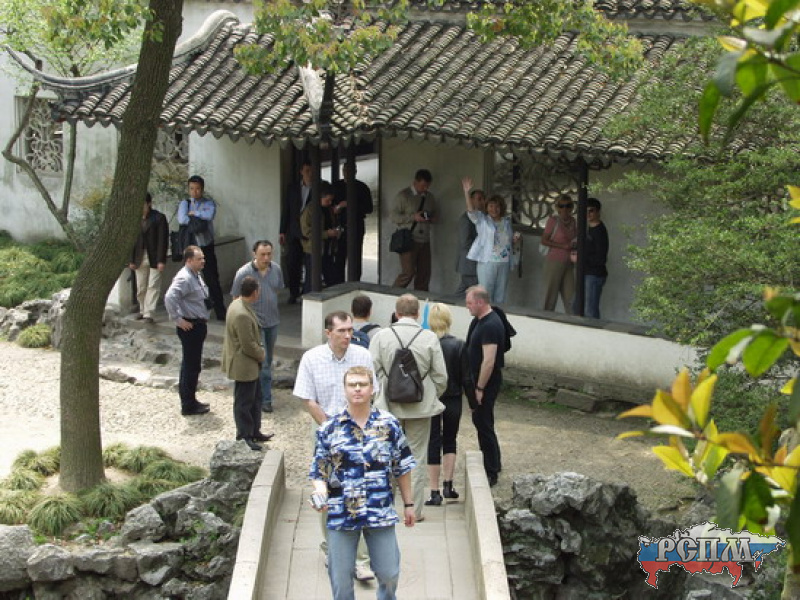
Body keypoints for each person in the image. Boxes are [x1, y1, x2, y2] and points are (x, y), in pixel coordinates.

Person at [309, 366, 416, 600]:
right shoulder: (329, 429)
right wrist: (320, 493)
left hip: (380, 511)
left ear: (372, 389)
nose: (357, 389)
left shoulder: (389, 425)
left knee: (389, 573)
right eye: (352, 385)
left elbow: (402, 467)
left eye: (362, 384)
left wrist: (409, 504)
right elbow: (318, 471)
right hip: (341, 512)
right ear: (344, 389)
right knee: (340, 580)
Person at [293, 310, 377, 581]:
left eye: (350, 330)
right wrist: (331, 428)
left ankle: (361, 560)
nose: (348, 335)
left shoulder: (362, 356)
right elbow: (308, 399)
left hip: (359, 431)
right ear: (328, 333)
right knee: (328, 492)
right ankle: (332, 549)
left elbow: (372, 393)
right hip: (324, 430)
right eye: (342, 331)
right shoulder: (312, 358)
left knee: (361, 491)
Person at [369, 294, 447, 521]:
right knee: (417, 457)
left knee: (385, 455)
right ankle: (415, 509)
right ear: (418, 313)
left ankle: (384, 506)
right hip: (420, 406)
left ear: (396, 313)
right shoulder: (429, 338)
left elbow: (370, 371)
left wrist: (379, 394)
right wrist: (429, 393)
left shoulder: (381, 336)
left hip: (387, 405)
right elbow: (441, 376)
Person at [424, 303, 472, 506]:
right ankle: (448, 484)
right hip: (453, 397)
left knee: (432, 440)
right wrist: (473, 401)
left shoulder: (425, 343)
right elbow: (467, 377)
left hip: (432, 397)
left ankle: (434, 491)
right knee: (450, 439)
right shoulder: (459, 345)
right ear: (448, 320)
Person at [231, 240, 284, 413]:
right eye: (263, 254)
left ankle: (259, 393)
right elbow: (236, 298)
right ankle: (265, 399)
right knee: (263, 361)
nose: (266, 258)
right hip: (255, 324)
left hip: (272, 322)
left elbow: (277, 289)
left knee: (267, 360)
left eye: (269, 254)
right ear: (254, 254)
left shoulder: (276, 269)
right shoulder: (244, 273)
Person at [221, 276, 274, 451]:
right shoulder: (242, 314)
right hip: (244, 364)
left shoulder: (238, 305)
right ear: (255, 292)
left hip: (248, 364)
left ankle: (254, 431)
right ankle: (244, 435)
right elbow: (248, 344)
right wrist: (261, 354)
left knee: (255, 398)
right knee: (244, 401)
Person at [164, 245, 212, 416]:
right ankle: (188, 404)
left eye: (203, 258)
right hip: (190, 326)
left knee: (193, 365)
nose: (203, 261)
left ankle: (191, 399)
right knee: (190, 366)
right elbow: (170, 297)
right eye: (199, 259)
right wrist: (178, 319)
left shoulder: (195, 275)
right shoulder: (184, 278)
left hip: (198, 324)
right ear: (189, 260)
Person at [465, 286, 505, 486]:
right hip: (478, 380)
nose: (467, 306)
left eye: (470, 303)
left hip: (486, 382)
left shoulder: (491, 325)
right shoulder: (479, 321)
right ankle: (493, 461)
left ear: (480, 302)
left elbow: (488, 361)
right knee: (481, 421)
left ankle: (491, 469)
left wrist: (480, 388)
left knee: (484, 423)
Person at [462, 177, 520, 305]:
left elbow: (508, 241)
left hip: (504, 262)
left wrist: (515, 239)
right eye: (491, 206)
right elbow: (471, 211)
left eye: (497, 206)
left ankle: (497, 315)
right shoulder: (482, 220)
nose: (494, 209)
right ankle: (486, 315)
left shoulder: (506, 222)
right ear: (487, 207)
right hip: (487, 262)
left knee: (500, 295)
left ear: (501, 207)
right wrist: (466, 192)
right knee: (485, 294)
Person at [178, 175, 226, 320]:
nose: (195, 191)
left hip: (206, 246)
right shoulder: (185, 203)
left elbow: (209, 215)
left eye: (198, 189)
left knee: (212, 279)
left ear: (202, 189)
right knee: (189, 280)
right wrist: (198, 218)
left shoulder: (208, 203)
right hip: (191, 248)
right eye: (192, 188)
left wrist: (194, 214)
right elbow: (182, 219)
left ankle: (220, 311)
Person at [391, 169, 436, 291]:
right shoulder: (404, 195)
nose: (425, 189)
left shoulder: (430, 197)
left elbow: (434, 214)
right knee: (408, 273)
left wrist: (431, 218)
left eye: (427, 186)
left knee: (424, 274)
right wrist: (413, 217)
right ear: (415, 182)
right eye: (423, 186)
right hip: (409, 239)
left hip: (425, 239)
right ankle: (393, 294)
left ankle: (421, 298)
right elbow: (393, 216)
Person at [129, 193, 168, 324]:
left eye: (143, 204)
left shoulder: (159, 218)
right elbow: (131, 241)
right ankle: (142, 309)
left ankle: (149, 313)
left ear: (149, 204)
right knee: (141, 287)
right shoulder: (134, 219)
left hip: (154, 256)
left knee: (153, 285)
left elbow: (163, 240)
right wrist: (131, 260)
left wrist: (161, 260)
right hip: (139, 256)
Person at [332, 160, 374, 282]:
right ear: (342, 171)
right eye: (345, 170)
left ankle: (355, 283)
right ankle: (338, 284)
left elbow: (369, 208)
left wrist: (350, 204)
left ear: (355, 172)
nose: (347, 173)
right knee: (339, 258)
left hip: (356, 226)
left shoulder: (362, 187)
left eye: (350, 170)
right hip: (340, 226)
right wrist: (338, 208)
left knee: (355, 257)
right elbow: (329, 205)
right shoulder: (336, 186)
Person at [300, 181, 343, 292]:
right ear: (320, 197)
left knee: (331, 278)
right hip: (313, 249)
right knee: (312, 280)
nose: (330, 203)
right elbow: (306, 231)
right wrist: (326, 234)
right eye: (327, 200)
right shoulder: (310, 210)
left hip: (327, 249)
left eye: (331, 200)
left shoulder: (329, 209)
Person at [281, 160, 312, 303]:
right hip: (294, 231)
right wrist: (282, 231)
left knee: (310, 263)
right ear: (301, 172)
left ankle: (307, 292)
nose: (309, 174)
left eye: (311, 171)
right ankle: (294, 292)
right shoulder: (293, 188)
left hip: (309, 232)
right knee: (293, 262)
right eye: (307, 171)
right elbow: (286, 209)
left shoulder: (319, 187)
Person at [541, 193, 577, 314]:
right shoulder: (553, 221)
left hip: (569, 263)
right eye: (561, 206)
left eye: (568, 206)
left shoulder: (573, 221)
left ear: (572, 207)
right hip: (554, 261)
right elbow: (544, 240)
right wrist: (562, 246)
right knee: (550, 295)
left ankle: (572, 320)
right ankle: (546, 318)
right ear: (557, 208)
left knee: (571, 296)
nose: (565, 209)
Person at [574, 198, 609, 319]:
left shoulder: (599, 231)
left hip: (594, 275)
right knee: (577, 305)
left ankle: (593, 329)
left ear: (598, 212)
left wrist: (581, 259)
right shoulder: (588, 228)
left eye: (591, 211)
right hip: (585, 273)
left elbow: (601, 258)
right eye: (586, 211)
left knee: (590, 310)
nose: (588, 214)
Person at [455, 185, 483, 295]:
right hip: (469, 262)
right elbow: (465, 242)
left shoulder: (482, 218)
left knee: (466, 290)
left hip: (475, 262)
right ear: (471, 200)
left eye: (483, 199)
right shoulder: (466, 219)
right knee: (470, 291)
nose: (482, 202)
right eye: (479, 199)